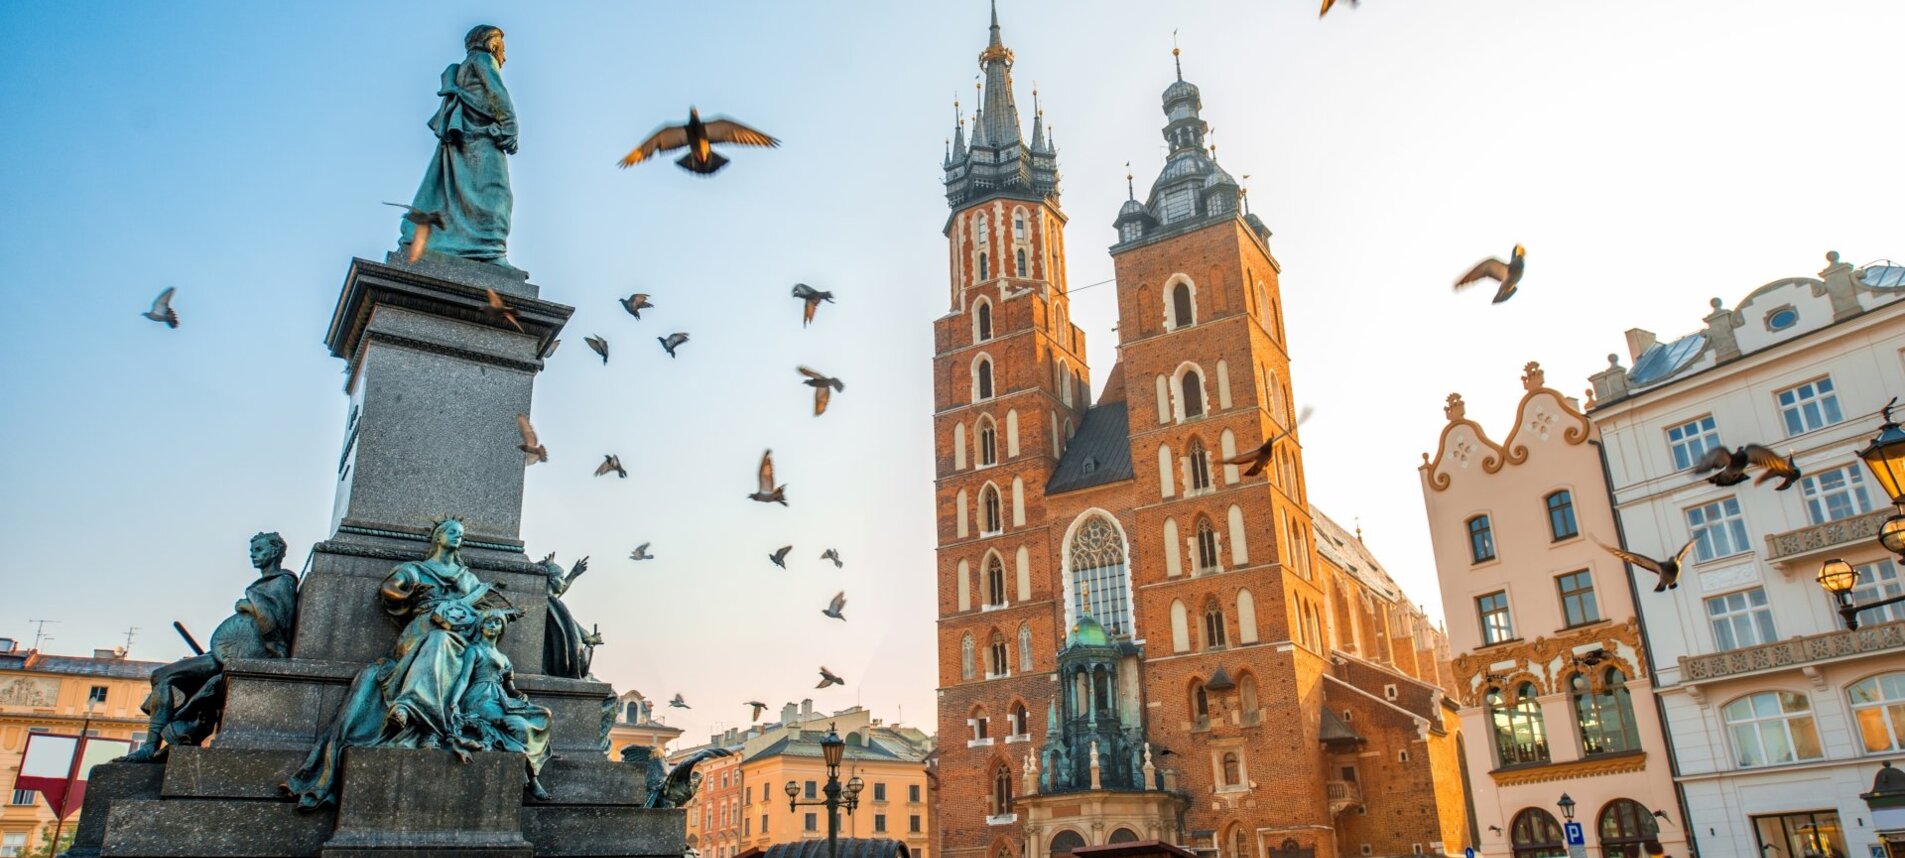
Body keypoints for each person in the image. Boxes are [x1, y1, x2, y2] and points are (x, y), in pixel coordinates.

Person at [120, 532, 298, 762]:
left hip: (241, 656)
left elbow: (277, 622)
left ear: (274, 552)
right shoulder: (267, 584)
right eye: (252, 551)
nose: (253, 556)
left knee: (163, 676)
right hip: (226, 654)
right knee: (164, 678)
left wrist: (249, 606)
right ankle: (163, 740)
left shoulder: (283, 581)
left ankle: (152, 745)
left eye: (259, 550)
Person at [399, 25, 519, 266]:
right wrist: (510, 126)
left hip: (464, 140)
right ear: (493, 44)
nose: (504, 57)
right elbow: (497, 94)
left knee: (455, 196)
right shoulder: (484, 59)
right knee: (496, 195)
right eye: (503, 50)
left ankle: (450, 245)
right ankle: (491, 251)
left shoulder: (465, 67)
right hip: (483, 139)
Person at [452, 608, 552, 800]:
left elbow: (510, 687)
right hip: (478, 698)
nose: (492, 625)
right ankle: (532, 780)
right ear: (481, 626)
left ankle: (529, 773)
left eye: (497, 623)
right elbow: (464, 679)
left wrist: (518, 694)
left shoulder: (504, 658)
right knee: (519, 726)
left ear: (501, 629)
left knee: (543, 714)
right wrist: (453, 703)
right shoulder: (474, 650)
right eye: (489, 622)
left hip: (501, 699)